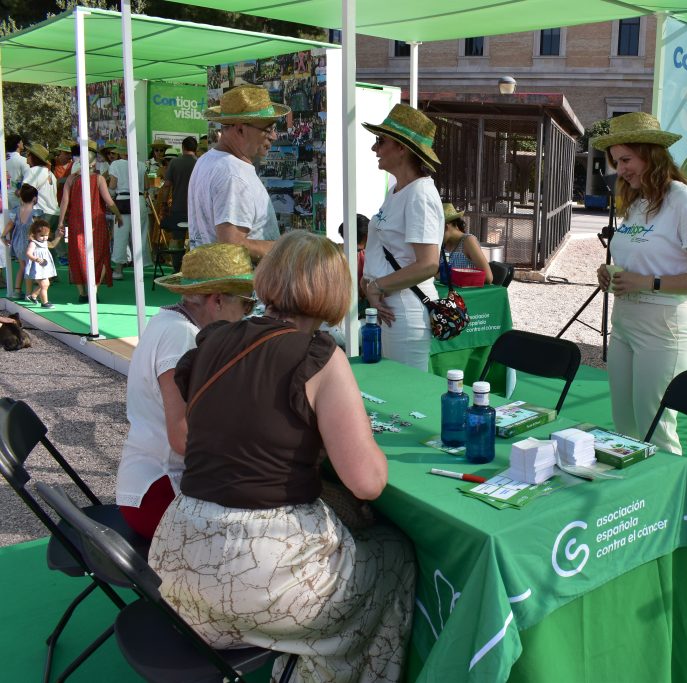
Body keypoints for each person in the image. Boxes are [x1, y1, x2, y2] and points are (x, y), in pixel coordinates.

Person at [149, 231, 415, 682]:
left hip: (176, 572)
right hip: (258, 583)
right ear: (334, 291)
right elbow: (367, 482)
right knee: (394, 555)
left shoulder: (211, 339)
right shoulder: (319, 355)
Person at [592, 112, 687, 455]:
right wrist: (610, 272)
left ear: (650, 154)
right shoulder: (638, 201)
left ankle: (672, 489)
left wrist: (646, 282)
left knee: (656, 430)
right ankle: (633, 489)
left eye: (626, 160)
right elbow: (639, 259)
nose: (620, 170)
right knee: (625, 425)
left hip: (663, 326)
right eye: (617, 162)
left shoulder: (684, 201)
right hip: (624, 322)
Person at [116, 243, 255, 539]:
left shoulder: (168, 321)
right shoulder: (183, 336)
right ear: (217, 300)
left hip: (147, 485)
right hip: (160, 492)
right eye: (246, 304)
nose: (246, 315)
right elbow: (183, 438)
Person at [360, 103, 445, 371]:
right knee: (391, 386)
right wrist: (371, 287)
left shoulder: (420, 193)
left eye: (380, 141)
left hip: (404, 308)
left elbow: (428, 264)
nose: (374, 148)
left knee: (405, 389)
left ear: (401, 148)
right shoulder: (398, 190)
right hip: (391, 306)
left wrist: (376, 286)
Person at [188, 84, 290, 259]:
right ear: (240, 129)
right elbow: (232, 244)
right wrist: (287, 250)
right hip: (242, 277)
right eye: (268, 129)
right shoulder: (233, 174)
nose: (274, 136)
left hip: (214, 273)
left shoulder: (207, 160)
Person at [58, 150, 121, 303]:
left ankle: (82, 293)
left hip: (75, 221)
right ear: (93, 163)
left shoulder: (71, 179)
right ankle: (94, 290)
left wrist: (60, 222)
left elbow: (64, 201)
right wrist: (118, 215)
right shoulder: (99, 179)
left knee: (76, 255)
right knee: (100, 255)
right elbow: (109, 201)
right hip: (96, 222)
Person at [106, 141, 152, 279]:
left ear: (120, 153)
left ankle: (118, 270)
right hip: (139, 200)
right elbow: (147, 186)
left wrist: (108, 194)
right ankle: (141, 267)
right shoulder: (141, 165)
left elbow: (112, 185)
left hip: (123, 200)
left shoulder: (116, 164)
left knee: (121, 235)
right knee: (141, 235)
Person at [157, 136, 198, 251]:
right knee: (196, 240)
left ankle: (176, 262)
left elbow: (167, 186)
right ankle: (193, 262)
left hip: (178, 207)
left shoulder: (174, 162)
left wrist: (164, 204)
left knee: (177, 239)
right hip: (196, 209)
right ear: (195, 148)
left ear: (182, 147)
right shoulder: (200, 163)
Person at [2, 184, 40, 299]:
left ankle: (17, 291)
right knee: (29, 267)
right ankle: (29, 293)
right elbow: (37, 227)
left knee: (22, 266)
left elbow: (10, 224)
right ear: (34, 198)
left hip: (17, 241)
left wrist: (3, 236)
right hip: (29, 242)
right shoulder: (36, 213)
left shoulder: (16, 211)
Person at [441, 203, 493, 284]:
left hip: (465, 290)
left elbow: (488, 277)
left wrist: (449, 276)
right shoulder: (444, 245)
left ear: (445, 227)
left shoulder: (468, 241)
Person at [22, 218, 63, 308]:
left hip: (44, 267)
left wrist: (58, 236)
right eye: (42, 235)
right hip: (37, 267)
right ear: (34, 234)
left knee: (46, 284)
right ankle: (45, 302)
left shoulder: (44, 242)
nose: (44, 237)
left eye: (46, 235)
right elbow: (28, 253)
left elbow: (52, 244)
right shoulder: (33, 243)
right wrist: (36, 258)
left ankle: (33, 296)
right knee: (44, 285)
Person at [23, 143, 60, 231]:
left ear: (33, 157)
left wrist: (16, 191)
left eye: (28, 154)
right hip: (55, 214)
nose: (26, 157)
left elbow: (25, 193)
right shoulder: (51, 174)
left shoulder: (33, 171)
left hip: (40, 213)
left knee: (35, 239)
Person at [5, 134, 29, 211]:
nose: (23, 143)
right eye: (21, 141)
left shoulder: (2, 160)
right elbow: (29, 179)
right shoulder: (24, 161)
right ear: (18, 144)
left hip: (3, 198)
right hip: (17, 199)